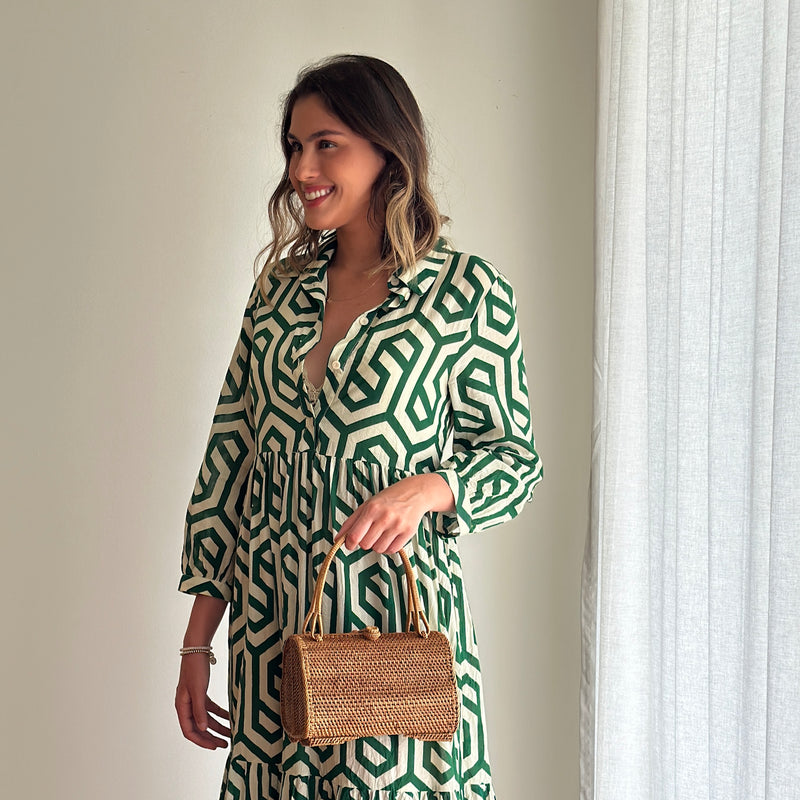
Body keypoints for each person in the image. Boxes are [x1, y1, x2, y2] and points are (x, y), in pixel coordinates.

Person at [175, 54, 543, 800]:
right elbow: (230, 465)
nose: (301, 167)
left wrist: (430, 489)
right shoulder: (277, 295)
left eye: (325, 143)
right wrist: (197, 642)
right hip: (274, 634)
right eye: (292, 145)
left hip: (394, 637)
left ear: (386, 149)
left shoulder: (467, 293)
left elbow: (515, 459)